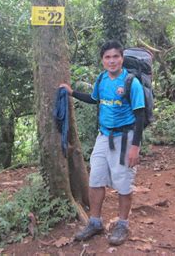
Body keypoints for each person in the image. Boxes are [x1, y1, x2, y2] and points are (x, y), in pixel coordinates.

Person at [60, 39, 145, 246]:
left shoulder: (131, 82)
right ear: (102, 60)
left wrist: (135, 147)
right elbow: (93, 99)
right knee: (95, 179)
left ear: (122, 58)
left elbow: (140, 115)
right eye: (107, 57)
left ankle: (123, 224)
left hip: (125, 138)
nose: (112, 61)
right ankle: (95, 222)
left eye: (116, 56)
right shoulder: (101, 79)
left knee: (124, 183)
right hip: (103, 137)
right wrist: (71, 92)